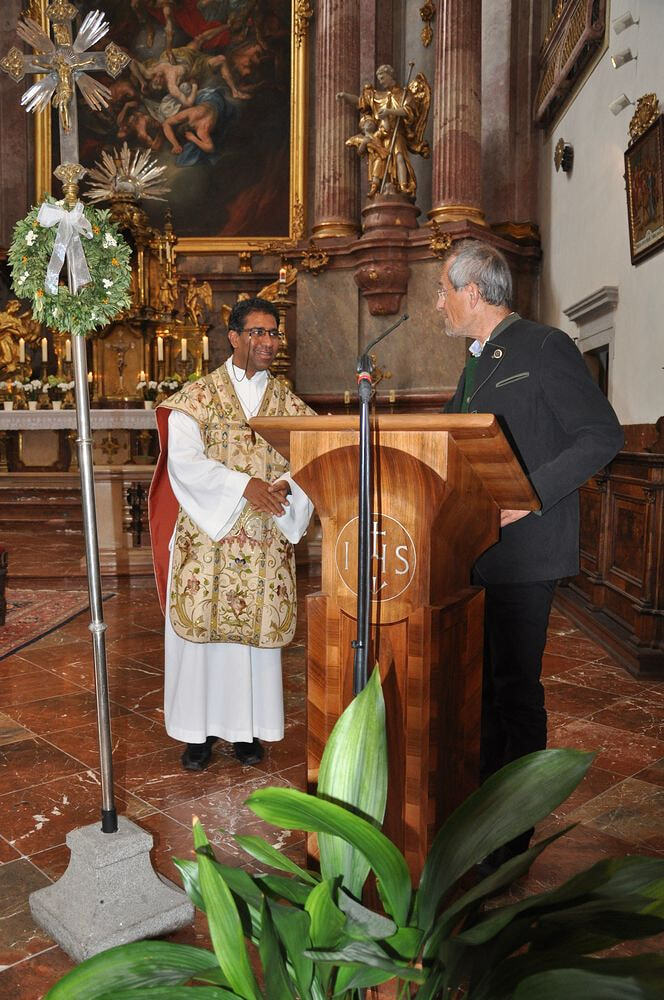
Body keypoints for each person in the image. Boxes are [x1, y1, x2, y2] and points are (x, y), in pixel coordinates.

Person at [438, 240, 624, 864]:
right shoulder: (474, 363)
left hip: (526, 552)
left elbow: (601, 434)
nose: (439, 304)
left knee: (514, 689)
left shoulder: (545, 346)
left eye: (443, 291)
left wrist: (532, 493)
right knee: (482, 687)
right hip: (475, 549)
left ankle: (512, 833)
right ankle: (482, 810)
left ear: (472, 292)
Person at [148, 296, 315, 771]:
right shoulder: (195, 399)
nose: (268, 342)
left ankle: (248, 732)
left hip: (265, 537)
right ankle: (196, 736)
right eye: (257, 332)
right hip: (208, 539)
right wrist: (245, 486)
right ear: (235, 337)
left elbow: (312, 459)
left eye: (273, 333)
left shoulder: (290, 406)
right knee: (200, 640)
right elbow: (183, 463)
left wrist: (286, 487)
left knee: (252, 645)